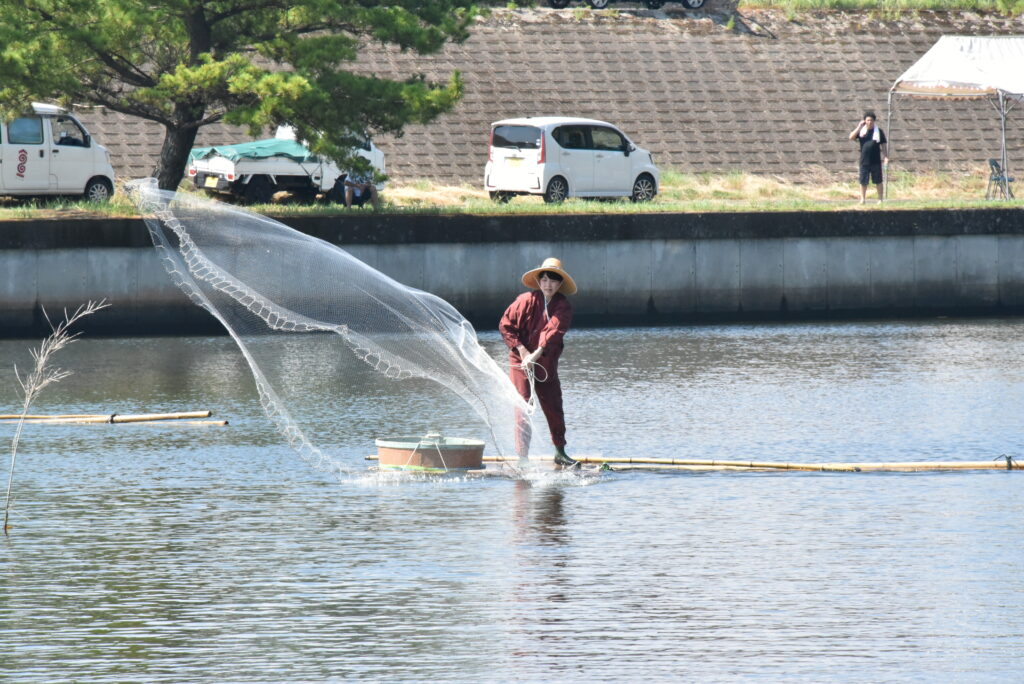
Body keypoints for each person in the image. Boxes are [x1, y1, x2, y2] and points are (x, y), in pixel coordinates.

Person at [499, 257, 579, 468]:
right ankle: (522, 457)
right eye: (543, 279)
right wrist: (523, 351)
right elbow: (506, 326)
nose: (548, 284)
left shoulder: (563, 306)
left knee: (554, 405)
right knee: (522, 405)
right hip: (520, 361)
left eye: (553, 279)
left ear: (560, 283)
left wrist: (535, 355)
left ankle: (560, 451)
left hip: (546, 363)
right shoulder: (525, 300)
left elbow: (553, 331)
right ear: (539, 281)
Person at [848, 110, 889, 204]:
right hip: (864, 161)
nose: (869, 122)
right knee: (863, 181)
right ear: (864, 121)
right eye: (868, 120)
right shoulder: (862, 131)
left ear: (874, 121)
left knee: (878, 181)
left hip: (875, 161)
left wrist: (886, 156)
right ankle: (862, 199)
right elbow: (851, 137)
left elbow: (883, 145)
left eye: (871, 120)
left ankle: (880, 199)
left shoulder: (879, 131)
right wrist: (859, 127)